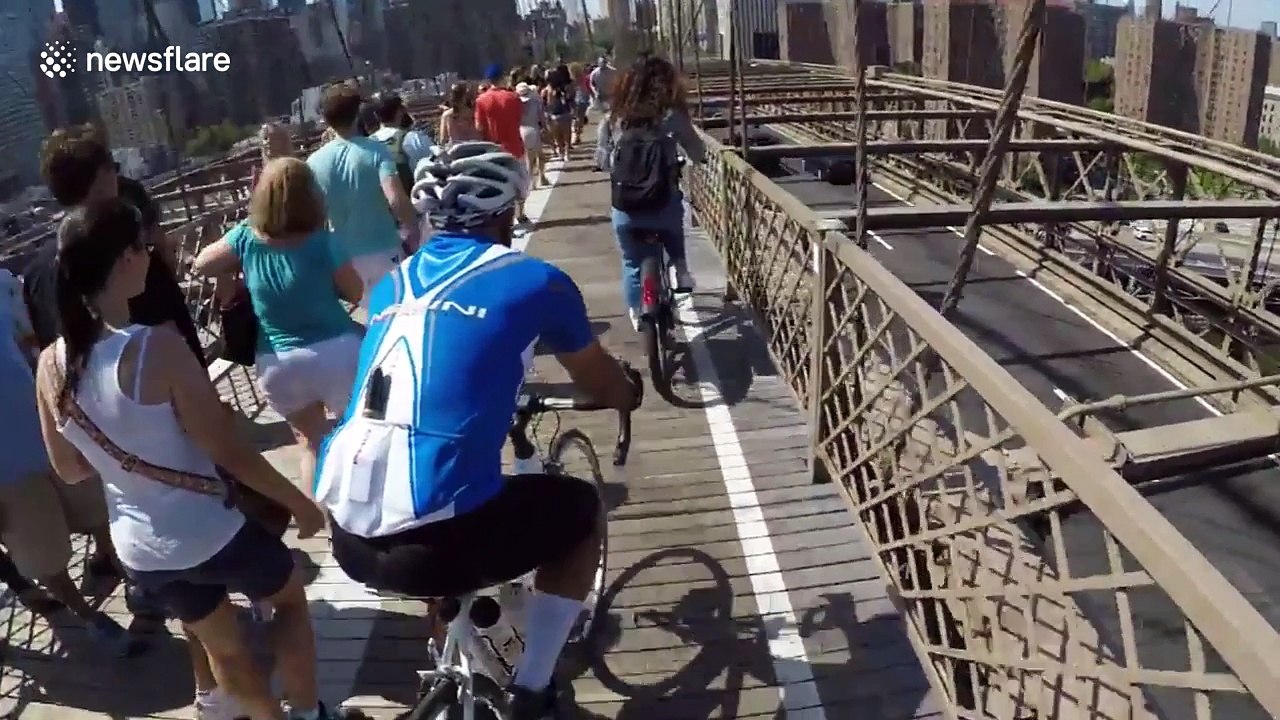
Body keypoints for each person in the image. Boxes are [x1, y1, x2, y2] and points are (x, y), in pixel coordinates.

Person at [318, 142, 641, 719]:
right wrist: (625, 394)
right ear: (507, 213)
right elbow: (601, 382)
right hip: (438, 540)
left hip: (345, 533)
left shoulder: (391, 286)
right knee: (580, 511)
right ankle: (534, 689)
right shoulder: (535, 280)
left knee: (433, 514)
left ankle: (444, 653)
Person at [34, 198, 342, 720]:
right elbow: (228, 451)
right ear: (123, 261)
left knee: (223, 648)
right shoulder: (157, 348)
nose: (152, 255)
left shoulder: (50, 366)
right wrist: (302, 506)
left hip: (142, 549)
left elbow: (70, 468)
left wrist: (124, 449)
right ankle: (311, 713)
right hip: (208, 529)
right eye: (143, 247)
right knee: (288, 601)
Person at [193, 157, 364, 488]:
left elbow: (201, 264)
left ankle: (330, 527)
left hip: (278, 364)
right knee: (358, 434)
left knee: (311, 445)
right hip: (337, 354)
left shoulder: (245, 238)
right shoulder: (324, 242)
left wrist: (239, 268)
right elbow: (356, 292)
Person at [2, 266, 137, 653]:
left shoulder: (4, 281)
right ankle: (87, 616)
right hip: (6, 475)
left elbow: (32, 348)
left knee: (98, 514)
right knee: (43, 554)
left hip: (48, 432)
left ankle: (133, 584)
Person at [601, 55, 706, 331]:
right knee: (675, 213)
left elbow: (602, 160)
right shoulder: (672, 116)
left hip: (626, 209)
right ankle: (681, 270)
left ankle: (637, 313)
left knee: (631, 261)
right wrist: (695, 158)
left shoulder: (615, 118)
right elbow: (697, 150)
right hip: (663, 205)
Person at [307, 83, 421, 309]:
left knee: (370, 318)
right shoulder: (376, 150)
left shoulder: (313, 162)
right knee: (397, 314)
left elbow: (315, 216)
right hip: (384, 249)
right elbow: (395, 198)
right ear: (357, 113)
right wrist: (413, 231)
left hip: (344, 259)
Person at [474, 66, 530, 224]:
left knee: (500, 185)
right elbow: (520, 118)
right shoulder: (513, 97)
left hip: (493, 149)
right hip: (514, 146)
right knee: (519, 182)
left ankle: (505, 217)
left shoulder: (481, 100)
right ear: (502, 77)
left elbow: (479, 127)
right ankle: (521, 213)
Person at [368, 92, 432, 193]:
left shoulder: (366, 145)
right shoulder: (414, 139)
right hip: (412, 203)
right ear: (400, 111)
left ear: (375, 115)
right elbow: (435, 169)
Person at [515, 82, 551, 189]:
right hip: (533, 128)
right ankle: (541, 177)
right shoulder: (535, 102)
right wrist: (545, 128)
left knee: (527, 158)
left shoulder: (515, 104)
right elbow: (541, 117)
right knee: (539, 155)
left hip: (521, 129)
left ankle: (531, 181)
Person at [251, 123, 294, 190]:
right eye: (265, 138)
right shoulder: (259, 176)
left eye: (274, 138)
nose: (269, 141)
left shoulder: (294, 171)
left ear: (284, 141)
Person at [541, 80, 573, 162]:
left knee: (558, 136)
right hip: (563, 114)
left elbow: (544, 104)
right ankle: (566, 152)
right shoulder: (563, 90)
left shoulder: (546, 91)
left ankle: (563, 152)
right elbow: (569, 101)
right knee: (565, 136)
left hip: (555, 115)